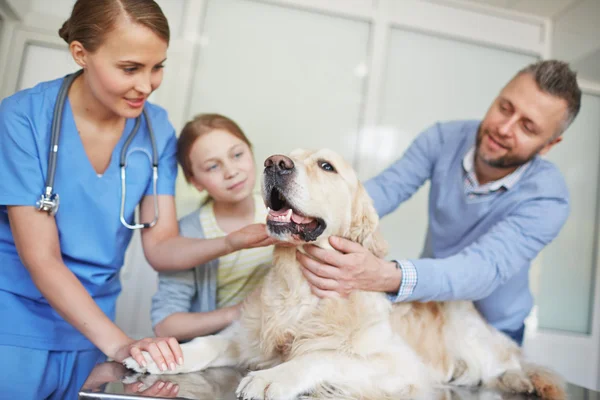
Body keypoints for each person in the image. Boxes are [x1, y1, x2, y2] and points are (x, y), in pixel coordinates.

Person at [0, 1, 275, 398]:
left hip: (91, 329)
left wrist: (233, 241)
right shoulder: (22, 119)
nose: (146, 85)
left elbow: (161, 248)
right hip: (15, 321)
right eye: (130, 68)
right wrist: (120, 344)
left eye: (157, 66)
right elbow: (41, 258)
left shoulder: (155, 127)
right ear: (81, 53)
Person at [296, 60, 581, 346]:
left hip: (494, 332)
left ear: (548, 145)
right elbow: (383, 191)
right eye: (505, 108)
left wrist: (383, 275)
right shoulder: (443, 138)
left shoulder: (549, 198)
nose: (504, 128)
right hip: (432, 313)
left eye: (527, 127)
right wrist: (308, 212)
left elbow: (484, 268)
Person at [151, 114, 273, 341]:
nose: (231, 171)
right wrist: (238, 311)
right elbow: (165, 326)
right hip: (225, 349)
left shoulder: (280, 212)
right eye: (212, 166)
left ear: (251, 151)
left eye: (237, 155)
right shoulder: (188, 233)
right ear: (196, 181)